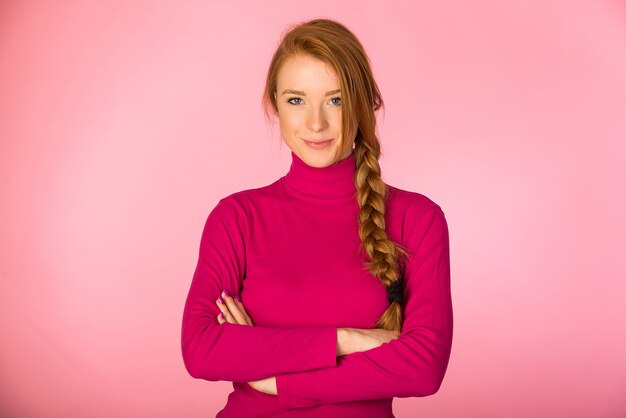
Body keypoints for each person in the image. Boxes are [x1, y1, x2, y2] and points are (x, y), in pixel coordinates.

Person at [181, 18, 453, 418]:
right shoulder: (238, 217)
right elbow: (202, 350)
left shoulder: (418, 220)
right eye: (296, 100)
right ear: (274, 104)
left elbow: (424, 367)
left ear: (364, 104)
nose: (316, 123)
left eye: (336, 100)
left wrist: (274, 378)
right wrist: (346, 340)